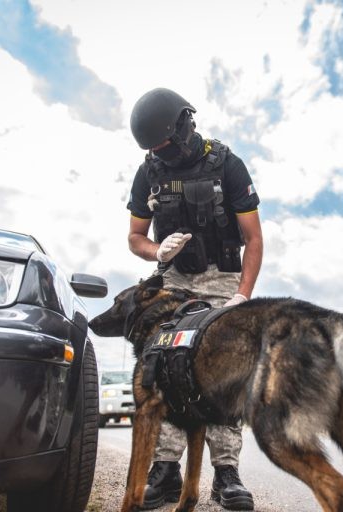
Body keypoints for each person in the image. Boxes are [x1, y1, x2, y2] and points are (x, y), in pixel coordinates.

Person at [126, 87, 263, 511]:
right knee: (163, 366)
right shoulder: (149, 173)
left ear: (184, 126)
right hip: (175, 281)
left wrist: (242, 296)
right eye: (153, 149)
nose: (160, 153)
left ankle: (227, 474)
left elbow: (254, 238)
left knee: (224, 370)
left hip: (223, 279)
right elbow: (135, 237)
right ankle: (165, 471)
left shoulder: (227, 165)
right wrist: (157, 251)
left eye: (164, 145)